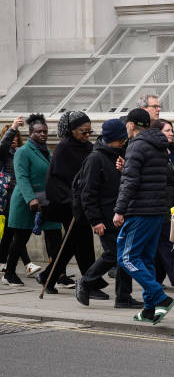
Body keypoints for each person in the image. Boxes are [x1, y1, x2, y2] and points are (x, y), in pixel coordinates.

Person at [113, 108, 174, 324]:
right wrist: (126, 169)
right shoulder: (159, 145)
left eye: (127, 125)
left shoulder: (136, 145)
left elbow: (131, 182)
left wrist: (119, 210)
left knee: (126, 257)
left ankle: (159, 297)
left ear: (131, 125)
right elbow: (152, 176)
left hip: (139, 211)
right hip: (157, 210)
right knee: (146, 259)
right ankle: (149, 309)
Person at [75, 119, 143, 309]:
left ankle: (123, 297)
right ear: (111, 139)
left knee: (124, 258)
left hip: (121, 215)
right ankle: (86, 282)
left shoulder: (121, 154)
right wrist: (95, 220)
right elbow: (87, 193)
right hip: (105, 218)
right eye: (120, 139)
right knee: (113, 254)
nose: (123, 142)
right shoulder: (95, 159)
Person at [37, 111, 96, 293]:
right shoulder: (63, 148)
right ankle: (90, 282)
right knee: (83, 242)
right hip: (68, 205)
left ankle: (48, 276)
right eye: (83, 132)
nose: (87, 135)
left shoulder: (89, 147)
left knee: (70, 244)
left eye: (89, 132)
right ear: (71, 130)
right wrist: (72, 199)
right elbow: (56, 179)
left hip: (83, 204)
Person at [1, 114, 62, 288]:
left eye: (45, 131)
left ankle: (57, 273)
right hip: (25, 201)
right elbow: (21, 177)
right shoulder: (23, 151)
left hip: (46, 201)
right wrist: (31, 199)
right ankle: (10, 273)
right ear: (30, 133)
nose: (43, 134)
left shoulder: (47, 152)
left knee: (55, 236)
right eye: (39, 132)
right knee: (20, 239)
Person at [0, 116, 41, 277]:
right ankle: (26, 264)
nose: (14, 140)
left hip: (20, 198)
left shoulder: (21, 153)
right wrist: (13, 128)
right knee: (17, 232)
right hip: (7, 199)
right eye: (12, 138)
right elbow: (2, 146)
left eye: (17, 137)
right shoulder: (4, 155)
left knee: (12, 233)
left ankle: (3, 263)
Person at [150, 119, 174, 292]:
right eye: (167, 130)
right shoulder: (155, 152)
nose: (170, 133)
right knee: (168, 241)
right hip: (160, 203)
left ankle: (156, 278)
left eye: (171, 130)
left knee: (164, 241)